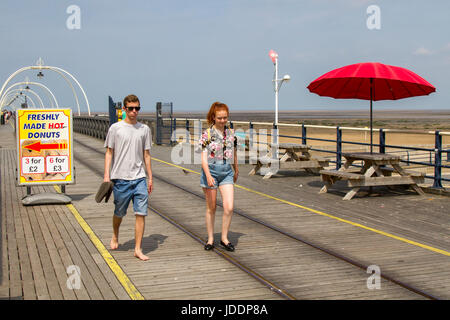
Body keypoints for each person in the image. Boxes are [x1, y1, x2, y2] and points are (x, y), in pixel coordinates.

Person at [104, 94, 153, 261]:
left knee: (141, 213)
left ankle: (138, 249)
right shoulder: (115, 128)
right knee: (119, 212)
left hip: (139, 178)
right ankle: (115, 235)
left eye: (137, 108)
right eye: (131, 108)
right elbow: (109, 152)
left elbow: (147, 155)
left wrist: (150, 177)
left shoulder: (144, 129)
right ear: (124, 109)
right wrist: (106, 176)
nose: (134, 112)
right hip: (120, 178)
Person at [198, 102, 238, 251]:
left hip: (226, 172)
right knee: (212, 207)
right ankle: (210, 239)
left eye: (225, 118)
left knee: (229, 207)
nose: (222, 121)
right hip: (211, 171)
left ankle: (224, 238)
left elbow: (233, 152)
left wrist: (236, 169)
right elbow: (203, 157)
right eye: (220, 118)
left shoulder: (231, 133)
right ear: (213, 117)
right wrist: (208, 175)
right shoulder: (207, 134)